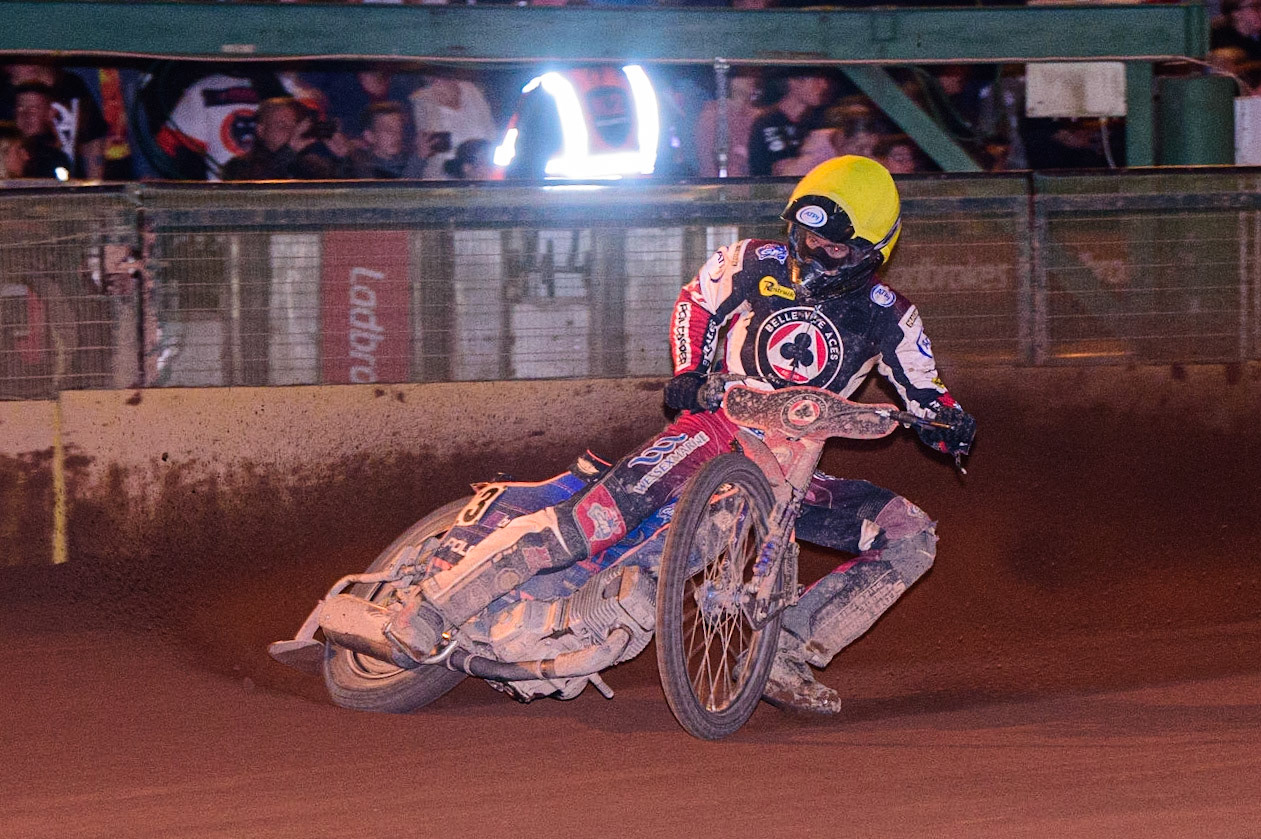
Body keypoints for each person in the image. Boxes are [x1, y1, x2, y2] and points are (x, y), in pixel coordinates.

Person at [337, 155, 976, 714]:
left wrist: (950, 425)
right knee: (594, 523)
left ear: (872, 250)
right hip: (715, 426)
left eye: (833, 247)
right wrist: (690, 372)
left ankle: (783, 647)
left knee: (908, 534)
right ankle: (428, 614)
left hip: (792, 466)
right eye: (804, 237)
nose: (812, 254)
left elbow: (927, 395)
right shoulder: (755, 260)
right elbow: (696, 304)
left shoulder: (893, 318)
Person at [220, 97, 344, 181]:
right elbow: (257, 192)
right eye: (282, 125)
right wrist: (289, 150)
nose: (291, 131)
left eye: (295, 125)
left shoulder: (311, 164)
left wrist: (344, 157)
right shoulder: (238, 166)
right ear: (261, 130)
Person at [747, 70, 831, 176]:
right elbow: (780, 172)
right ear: (794, 82)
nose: (824, 85)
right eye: (817, 79)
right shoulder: (768, 122)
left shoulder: (820, 123)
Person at [12, 82, 73, 179]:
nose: (26, 115)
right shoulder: (6, 148)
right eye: (20, 108)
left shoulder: (55, 160)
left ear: (49, 113)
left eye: (34, 109)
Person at [349, 101, 412, 179]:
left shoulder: (409, 160)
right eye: (388, 130)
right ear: (369, 136)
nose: (396, 135)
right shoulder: (360, 168)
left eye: (399, 129)